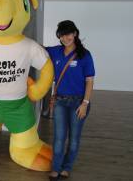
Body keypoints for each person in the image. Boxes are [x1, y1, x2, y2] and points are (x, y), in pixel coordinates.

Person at [46, 20, 95, 180]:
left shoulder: (84, 55)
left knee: (73, 138)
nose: (65, 38)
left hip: (78, 103)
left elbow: (89, 81)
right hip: (60, 102)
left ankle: (66, 167)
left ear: (75, 34)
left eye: (68, 34)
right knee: (59, 137)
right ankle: (56, 167)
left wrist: (85, 104)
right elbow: (38, 49)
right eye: (62, 35)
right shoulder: (56, 52)